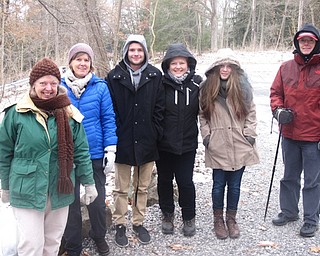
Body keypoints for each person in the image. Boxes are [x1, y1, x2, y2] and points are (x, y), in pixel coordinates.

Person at [0, 57, 98, 256]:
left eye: (53, 83)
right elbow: (4, 151)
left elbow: (81, 152)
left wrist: (89, 183)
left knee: (52, 244)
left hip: (59, 190)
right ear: (33, 85)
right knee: (31, 246)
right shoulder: (16, 113)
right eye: (43, 83)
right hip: (26, 189)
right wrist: (5, 185)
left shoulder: (70, 114)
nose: (48, 88)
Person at [106, 34, 164, 247]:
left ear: (145, 52)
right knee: (121, 187)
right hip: (123, 139)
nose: (136, 54)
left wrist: (155, 132)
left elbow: (160, 108)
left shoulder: (155, 75)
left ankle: (138, 222)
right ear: (126, 52)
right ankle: (120, 222)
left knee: (142, 186)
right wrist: (115, 134)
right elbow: (109, 109)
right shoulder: (114, 76)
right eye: (132, 50)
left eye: (140, 50)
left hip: (148, 139)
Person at [60, 43, 117, 256]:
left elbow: (108, 119)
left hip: (93, 153)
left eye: (86, 60)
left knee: (97, 199)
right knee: (70, 201)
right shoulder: (59, 87)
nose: (82, 63)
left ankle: (99, 235)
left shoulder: (100, 87)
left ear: (91, 63)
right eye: (78, 59)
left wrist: (110, 148)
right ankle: (72, 243)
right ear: (71, 62)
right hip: (67, 155)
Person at [199, 48, 259, 239]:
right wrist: (207, 137)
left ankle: (231, 218)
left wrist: (249, 135)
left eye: (229, 66)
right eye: (221, 65)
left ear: (234, 68)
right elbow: (202, 116)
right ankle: (218, 220)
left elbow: (251, 112)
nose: (225, 69)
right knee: (218, 185)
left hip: (239, 143)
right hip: (217, 143)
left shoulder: (243, 87)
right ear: (215, 68)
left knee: (234, 186)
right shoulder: (207, 88)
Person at [270, 23, 320, 238]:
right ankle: (289, 212)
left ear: (316, 43)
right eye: (302, 41)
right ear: (297, 43)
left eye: (310, 41)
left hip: (313, 137)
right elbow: (275, 92)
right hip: (289, 134)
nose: (306, 44)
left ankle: (311, 219)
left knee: (312, 181)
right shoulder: (285, 67)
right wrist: (278, 110)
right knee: (289, 176)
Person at [155, 43, 202, 236]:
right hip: (164, 145)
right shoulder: (160, 85)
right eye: (173, 63)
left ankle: (188, 216)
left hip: (187, 144)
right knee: (164, 180)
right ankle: (167, 214)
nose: (178, 67)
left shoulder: (197, 85)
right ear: (167, 65)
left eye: (181, 63)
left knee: (185, 181)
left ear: (188, 64)